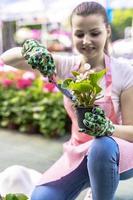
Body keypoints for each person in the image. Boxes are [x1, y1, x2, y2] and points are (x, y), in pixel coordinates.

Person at [1, 1, 133, 200]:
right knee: (41, 198)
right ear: (72, 34)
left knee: (101, 146)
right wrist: (32, 49)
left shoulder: (124, 72)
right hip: (78, 153)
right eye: (80, 34)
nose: (86, 40)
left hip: (116, 152)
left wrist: (107, 128)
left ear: (107, 31)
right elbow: (7, 58)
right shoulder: (65, 65)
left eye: (94, 33)